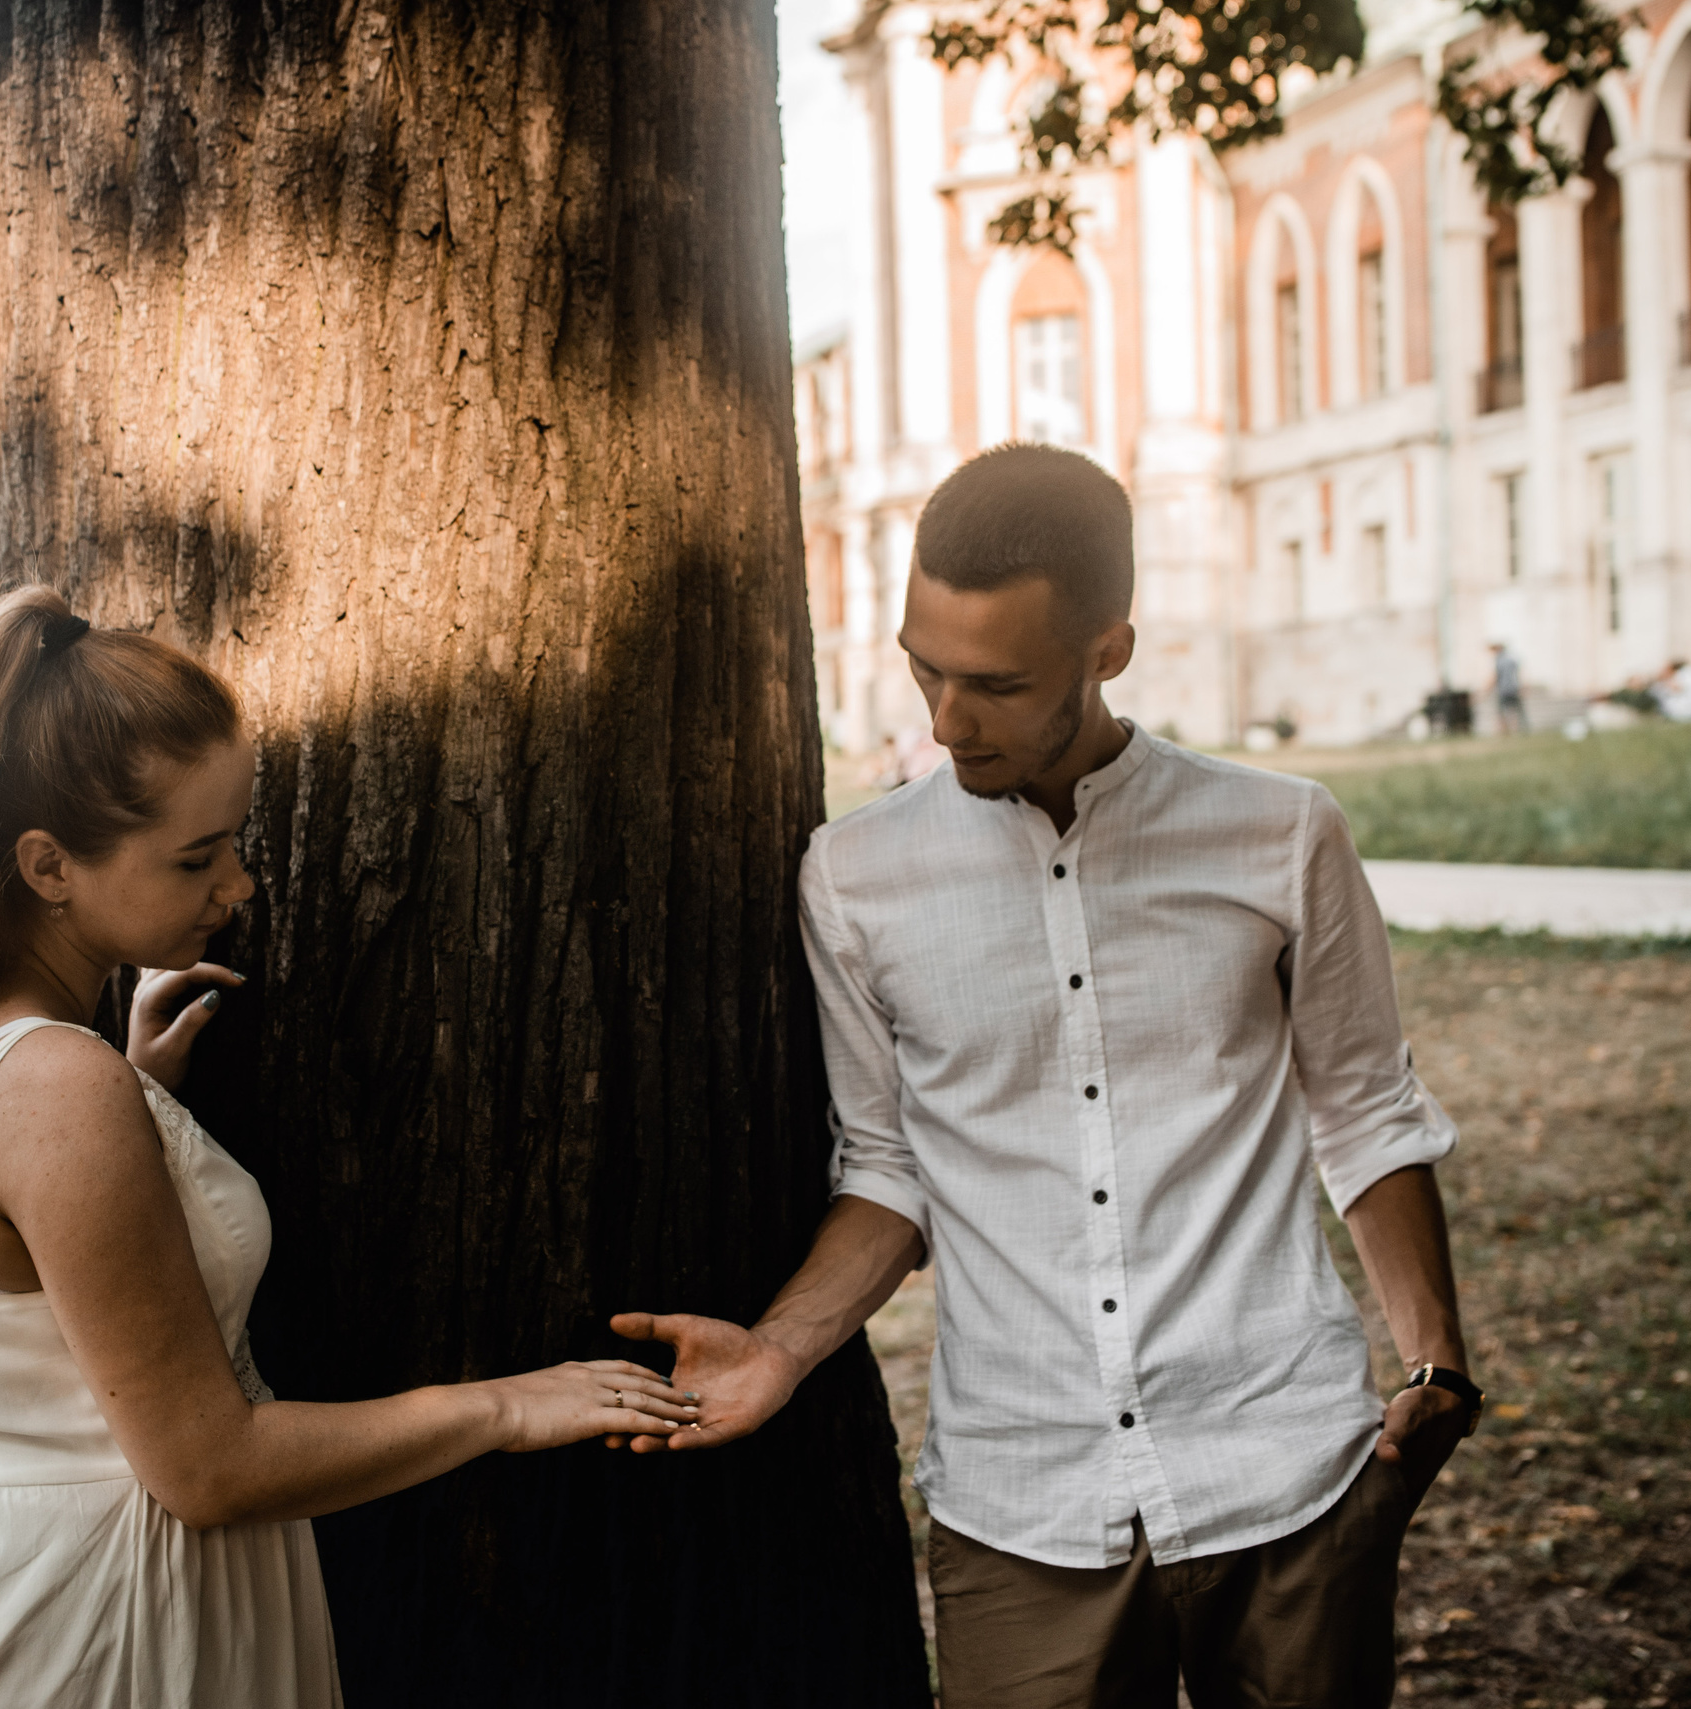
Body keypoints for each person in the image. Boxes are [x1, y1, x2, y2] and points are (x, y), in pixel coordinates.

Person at [612, 444, 1480, 1709]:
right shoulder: (852, 878)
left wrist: (1436, 1357)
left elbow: (1362, 1106)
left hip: (1285, 1464)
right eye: (925, 667)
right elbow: (887, 1168)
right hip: (1019, 1495)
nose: (944, 720)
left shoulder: (1282, 831)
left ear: (1107, 650)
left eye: (995, 683)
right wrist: (780, 1351)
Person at [0, 586, 696, 1708]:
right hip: (72, 1635)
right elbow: (208, 1465)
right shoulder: (56, 1086)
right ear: (49, 865)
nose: (239, 885)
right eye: (195, 858)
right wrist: (503, 1405)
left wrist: (139, 1097)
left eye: (233, 840)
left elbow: (25, 1306)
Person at [1490, 640, 1527, 734]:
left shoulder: (1499, 660)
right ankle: (1518, 730)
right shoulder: (1512, 659)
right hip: (1514, 688)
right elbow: (1518, 674)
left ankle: (1504, 732)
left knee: (1502, 712)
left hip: (1504, 690)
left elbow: (1495, 677)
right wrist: (1523, 686)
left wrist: (1486, 690)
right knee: (1516, 711)